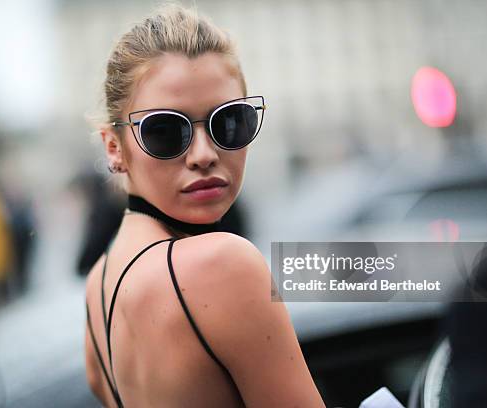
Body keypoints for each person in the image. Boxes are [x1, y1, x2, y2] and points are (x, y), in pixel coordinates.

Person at [83, 3, 325, 407]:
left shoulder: (98, 287)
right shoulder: (222, 265)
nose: (203, 154)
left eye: (230, 122)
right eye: (164, 130)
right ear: (114, 146)